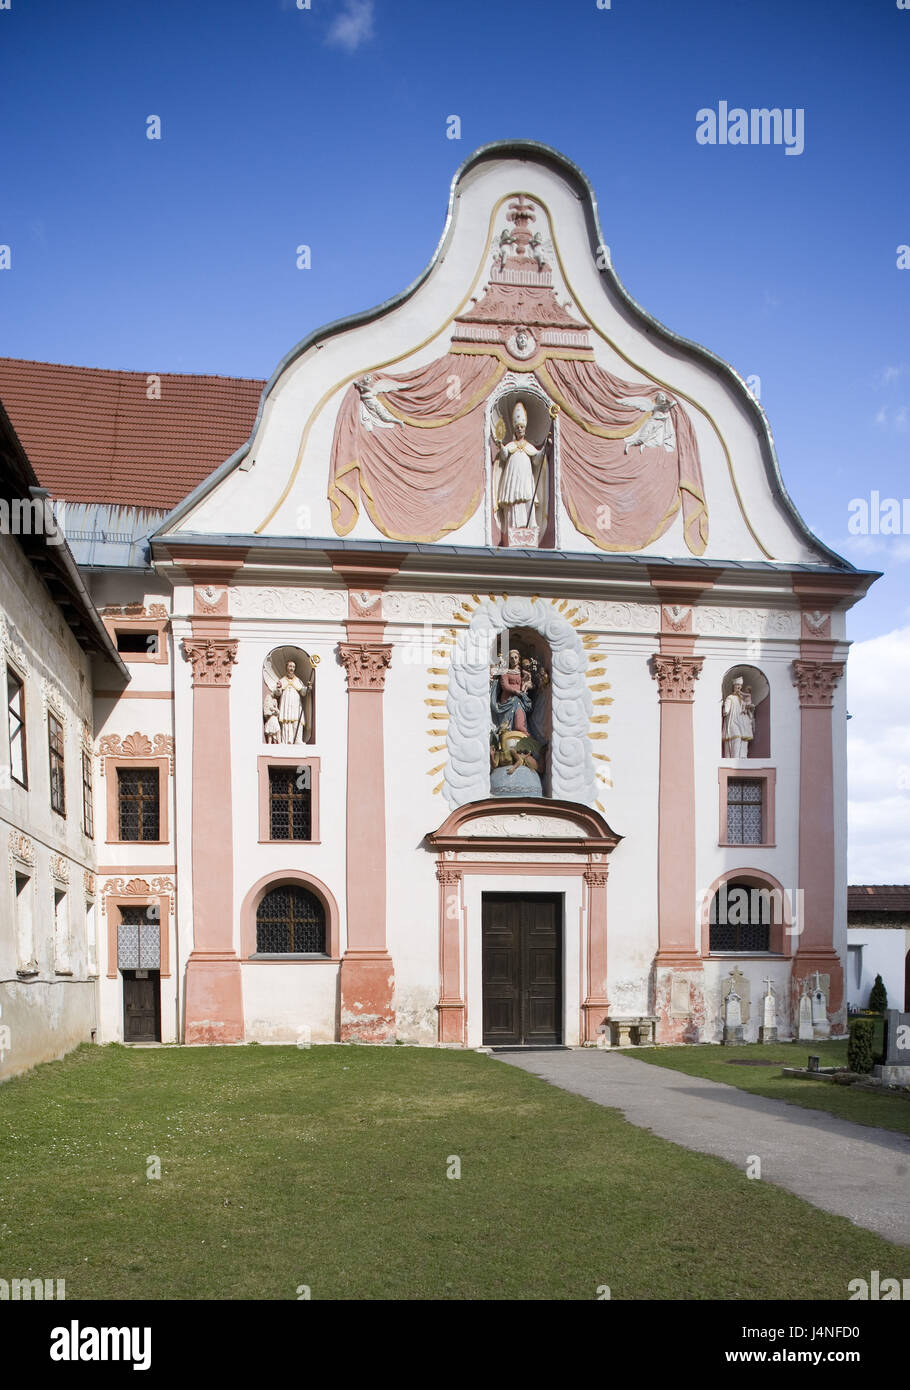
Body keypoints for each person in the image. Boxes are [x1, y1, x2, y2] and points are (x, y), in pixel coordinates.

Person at [722, 676, 755, 756]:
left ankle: (742, 758)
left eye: (740, 685)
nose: (739, 687)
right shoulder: (730, 697)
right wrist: (725, 710)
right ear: (733, 686)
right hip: (733, 721)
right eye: (737, 685)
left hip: (743, 722)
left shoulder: (743, 698)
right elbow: (726, 709)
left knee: (744, 740)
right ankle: (734, 757)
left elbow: (747, 708)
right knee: (736, 737)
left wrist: (750, 708)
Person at [277, 660, 308, 743]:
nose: (292, 668)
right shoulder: (282, 680)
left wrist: (307, 688)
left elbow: (303, 692)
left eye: (293, 667)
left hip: (296, 702)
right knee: (286, 719)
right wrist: (279, 688)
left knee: (297, 719)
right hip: (286, 701)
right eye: (290, 666)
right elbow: (277, 693)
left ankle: (297, 740)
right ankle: (287, 740)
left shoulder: (298, 680)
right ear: (286, 667)